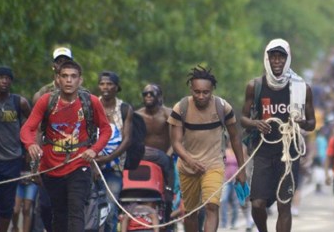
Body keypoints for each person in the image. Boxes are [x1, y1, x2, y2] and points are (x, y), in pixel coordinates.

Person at [20, 60, 112, 231]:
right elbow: (27, 128)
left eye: (73, 76)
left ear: (80, 80)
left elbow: (106, 129)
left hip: (79, 166)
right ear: (57, 79)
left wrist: (94, 150)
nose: (69, 80)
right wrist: (31, 144)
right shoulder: (46, 101)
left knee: (76, 211)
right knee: (57, 213)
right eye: (64, 76)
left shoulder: (91, 102)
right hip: (51, 167)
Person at [240, 39, 316, 232]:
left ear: (287, 59)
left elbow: (312, 123)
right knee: (257, 203)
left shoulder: (301, 88)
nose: (277, 61)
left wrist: (300, 122)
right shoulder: (255, 86)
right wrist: (256, 123)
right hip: (263, 152)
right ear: (267, 59)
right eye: (273, 56)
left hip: (289, 153)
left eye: (281, 57)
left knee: (284, 204)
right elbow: (243, 119)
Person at [168, 65, 246, 232]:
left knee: (212, 206)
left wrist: (242, 168)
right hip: (188, 167)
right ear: (191, 89)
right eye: (197, 92)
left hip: (214, 166)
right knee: (190, 213)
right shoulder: (180, 108)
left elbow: (235, 137)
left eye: (206, 92)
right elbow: (176, 143)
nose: (201, 96)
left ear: (212, 90)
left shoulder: (223, 107)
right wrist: (190, 160)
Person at [0, 66, 31, 232]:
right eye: (0, 77)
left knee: (7, 206)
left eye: (7, 78)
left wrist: (29, 149)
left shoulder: (19, 102)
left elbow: (32, 125)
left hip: (13, 161)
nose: (4, 81)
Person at [95, 71, 133, 232]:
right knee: (92, 208)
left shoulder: (124, 109)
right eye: (103, 83)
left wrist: (108, 158)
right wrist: (94, 160)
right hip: (91, 166)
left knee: (111, 209)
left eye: (110, 84)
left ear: (117, 87)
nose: (106, 87)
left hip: (114, 168)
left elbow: (127, 140)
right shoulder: (91, 104)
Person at [137, 83, 175, 222]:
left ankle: (168, 223)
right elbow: (134, 140)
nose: (148, 96)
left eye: (151, 93)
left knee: (169, 195)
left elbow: (175, 141)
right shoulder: (137, 115)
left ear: (159, 96)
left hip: (166, 158)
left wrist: (167, 157)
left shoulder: (168, 114)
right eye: (145, 94)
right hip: (143, 159)